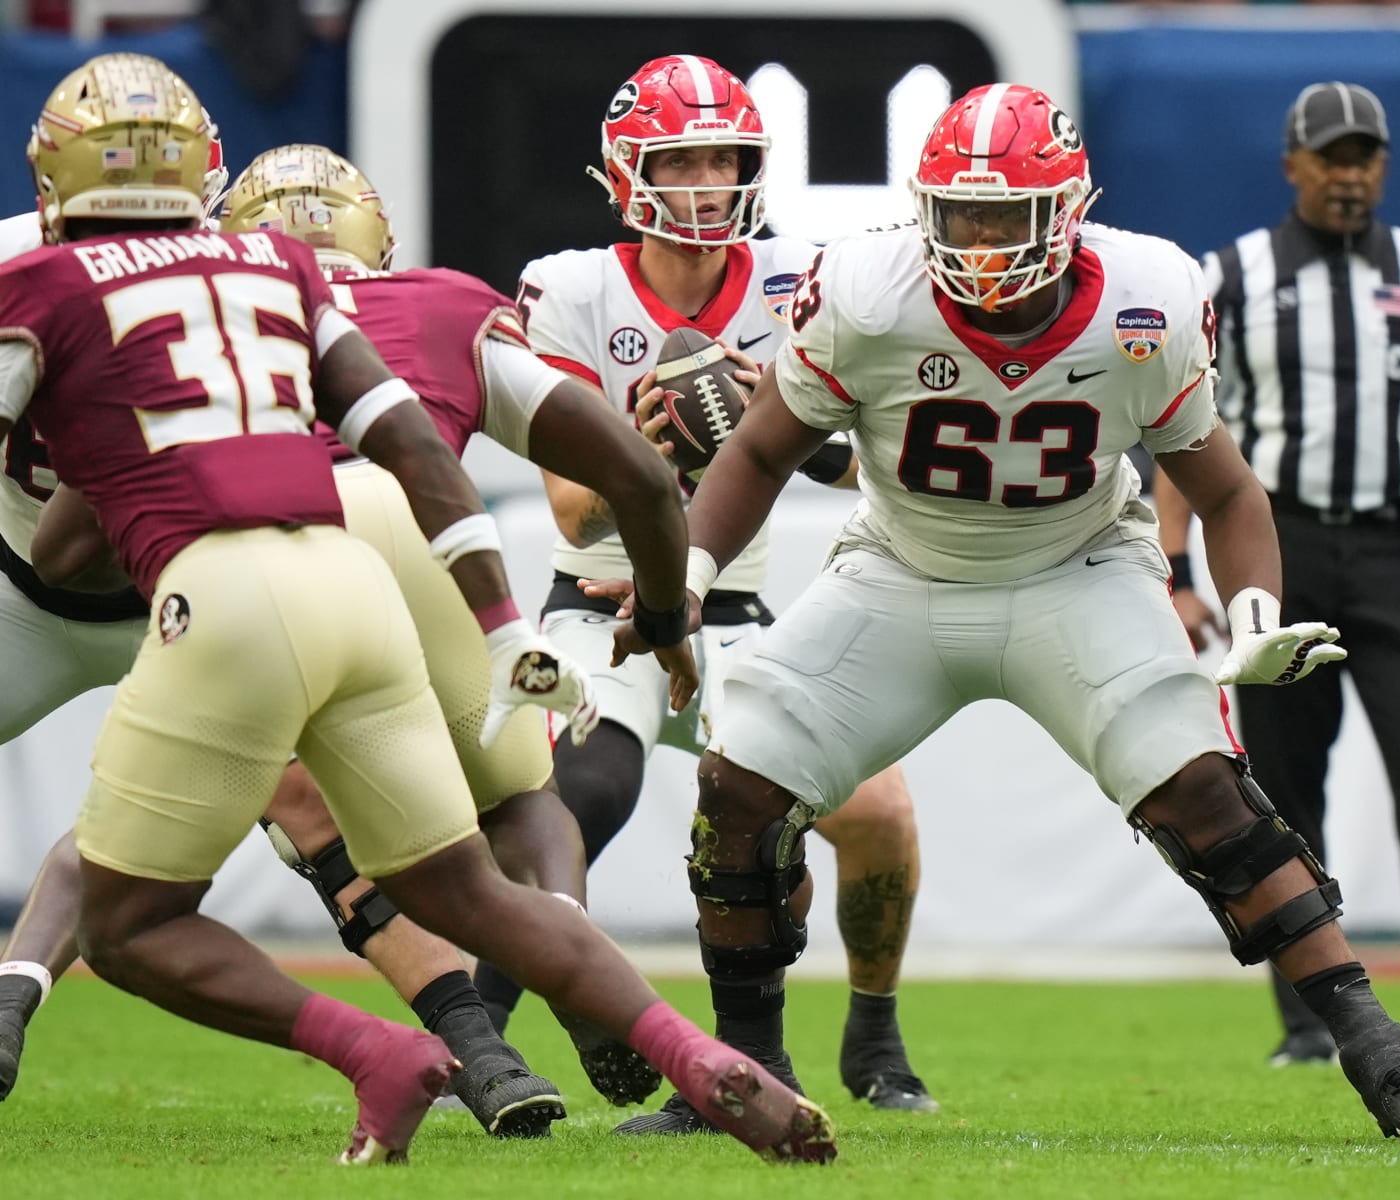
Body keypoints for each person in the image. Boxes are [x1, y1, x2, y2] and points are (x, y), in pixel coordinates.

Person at [600, 81, 1400, 1142]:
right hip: (901, 571)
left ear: (1068, 210)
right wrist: (689, 577)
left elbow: (1225, 491)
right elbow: (758, 449)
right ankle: (740, 1069)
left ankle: (1383, 1058)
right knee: (737, 783)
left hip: (1079, 572)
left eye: (1005, 215)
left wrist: (1252, 612)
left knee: (1212, 801)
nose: (978, 241)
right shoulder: (866, 288)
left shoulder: (1146, 296)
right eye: (959, 213)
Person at [0, 53, 834, 1165]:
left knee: (131, 907)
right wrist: (502, 625)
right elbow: (426, 448)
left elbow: (69, 546)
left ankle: (373, 1051)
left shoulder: (46, 279)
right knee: (466, 875)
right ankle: (687, 1055)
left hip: (211, 580)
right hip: (373, 568)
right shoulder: (330, 288)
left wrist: (133, 474)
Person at [502, 53, 935, 1128]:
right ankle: (483, 1031)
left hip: (732, 607)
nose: (703, 182)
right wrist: (648, 455)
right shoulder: (569, 288)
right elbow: (572, 512)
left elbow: (864, 462)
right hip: (600, 603)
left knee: (876, 814)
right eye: (679, 158)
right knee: (580, 798)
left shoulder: (803, 279)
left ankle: (873, 1032)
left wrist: (762, 430)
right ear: (625, 170)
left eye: (722, 159)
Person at [1153, 81, 1400, 1065]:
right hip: (1277, 540)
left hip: (1397, 543)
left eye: (1364, 156)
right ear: (1292, 164)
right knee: (1283, 788)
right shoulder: (1231, 276)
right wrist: (1176, 567)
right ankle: (1311, 1023)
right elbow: (1184, 431)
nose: (1349, 174)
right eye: (1330, 156)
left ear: (1383, 165)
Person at [0, 68, 232, 1105]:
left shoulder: (247, 269)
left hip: (188, 589)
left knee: (326, 815)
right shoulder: (13, 264)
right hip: (20, 580)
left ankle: (469, 1040)